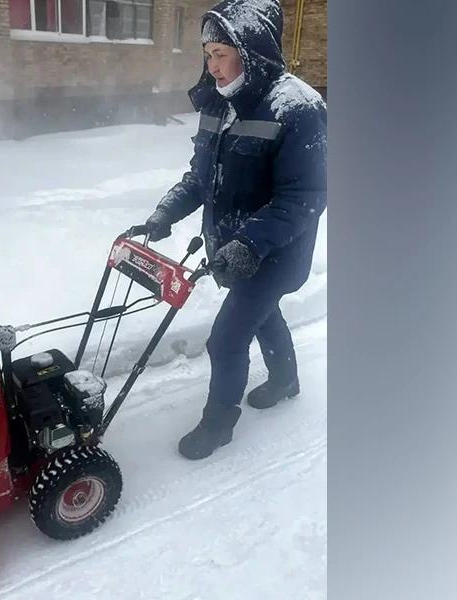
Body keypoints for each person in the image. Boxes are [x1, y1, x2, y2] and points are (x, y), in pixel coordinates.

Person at [142, 0, 327, 460]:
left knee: (226, 338)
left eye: (221, 52)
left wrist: (249, 243)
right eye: (208, 54)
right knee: (263, 315)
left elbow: (304, 197)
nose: (213, 65)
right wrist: (165, 213)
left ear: (252, 49)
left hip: (276, 255)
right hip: (231, 248)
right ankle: (286, 380)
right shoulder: (220, 102)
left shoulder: (298, 107)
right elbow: (201, 178)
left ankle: (219, 424)